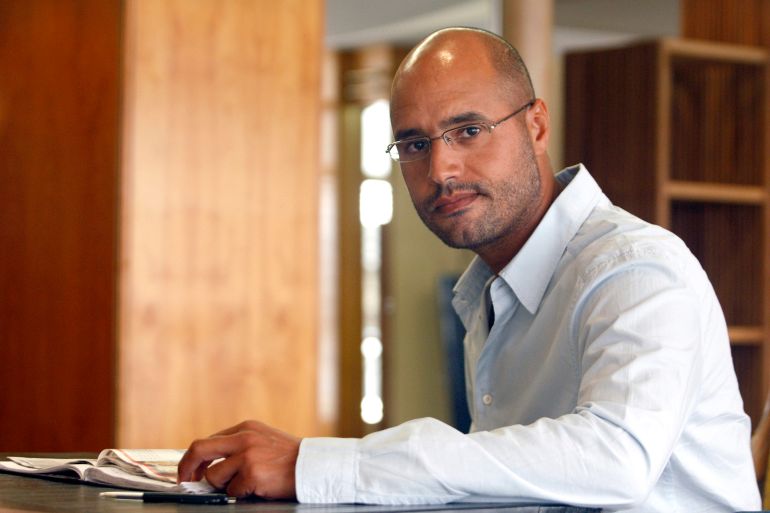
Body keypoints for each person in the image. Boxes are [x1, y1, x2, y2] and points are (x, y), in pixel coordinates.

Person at [177, 27, 761, 512]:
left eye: (469, 131)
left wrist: (321, 465)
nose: (441, 170)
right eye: (414, 144)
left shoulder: (635, 269)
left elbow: (617, 457)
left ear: (536, 126)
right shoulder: (485, 292)